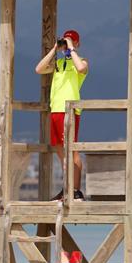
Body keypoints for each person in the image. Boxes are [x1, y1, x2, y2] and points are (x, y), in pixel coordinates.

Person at [35, 29, 89, 201]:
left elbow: (81, 68)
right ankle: (67, 188)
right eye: (65, 41)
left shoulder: (81, 62)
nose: (66, 44)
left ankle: (76, 190)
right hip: (56, 109)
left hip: (70, 110)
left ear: (77, 43)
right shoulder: (58, 64)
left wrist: (71, 48)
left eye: (71, 41)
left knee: (72, 150)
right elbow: (39, 69)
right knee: (60, 150)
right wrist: (54, 49)